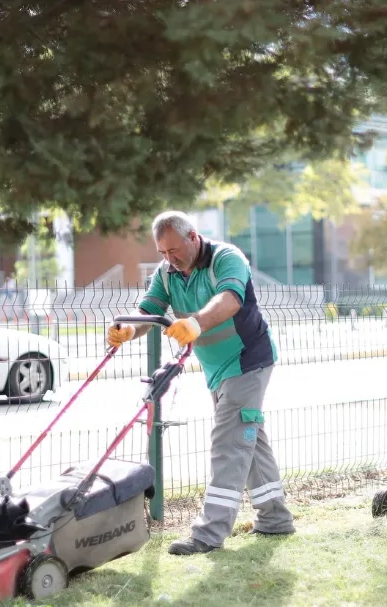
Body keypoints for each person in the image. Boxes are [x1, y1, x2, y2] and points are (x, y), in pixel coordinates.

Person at [105, 210, 295, 555]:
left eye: (174, 250)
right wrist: (129, 330)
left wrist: (195, 322)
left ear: (193, 237)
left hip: (248, 361)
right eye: (162, 253)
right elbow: (149, 310)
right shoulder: (167, 273)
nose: (169, 259)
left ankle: (208, 534)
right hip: (217, 369)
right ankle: (275, 518)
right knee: (248, 439)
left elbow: (230, 299)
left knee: (229, 442)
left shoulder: (226, 258)